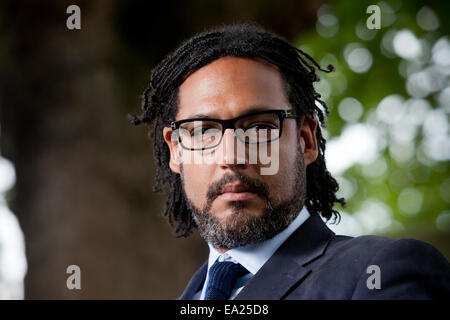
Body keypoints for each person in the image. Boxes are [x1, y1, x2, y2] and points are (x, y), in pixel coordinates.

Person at [130, 23, 450, 299]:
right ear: (175, 151)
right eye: (202, 131)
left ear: (307, 140)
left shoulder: (382, 272)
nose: (231, 156)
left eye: (259, 127)